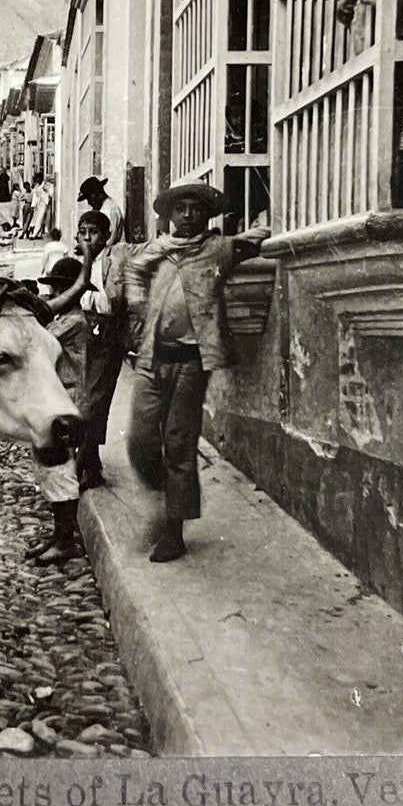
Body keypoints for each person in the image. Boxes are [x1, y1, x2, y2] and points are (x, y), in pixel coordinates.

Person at [124, 182, 268, 562]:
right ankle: (165, 496)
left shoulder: (218, 249)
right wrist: (138, 305)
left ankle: (175, 531)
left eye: (196, 209)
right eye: (181, 209)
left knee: (178, 443)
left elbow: (258, 240)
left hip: (191, 362)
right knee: (139, 441)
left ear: (207, 215)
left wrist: (261, 226)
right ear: (169, 215)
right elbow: (130, 271)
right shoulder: (156, 251)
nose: (188, 216)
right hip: (152, 358)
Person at [25, 254, 97, 565]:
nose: (55, 294)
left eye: (60, 289)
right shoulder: (63, 319)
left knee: (62, 470)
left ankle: (65, 540)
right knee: (52, 469)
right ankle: (58, 536)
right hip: (57, 399)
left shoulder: (73, 322)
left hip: (68, 401)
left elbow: (39, 341)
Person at [73, 209, 127, 491]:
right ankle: (92, 466)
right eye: (82, 232)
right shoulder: (77, 261)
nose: (86, 237)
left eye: (92, 232)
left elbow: (112, 302)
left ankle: (78, 468)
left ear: (106, 236)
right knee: (82, 399)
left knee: (94, 402)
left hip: (107, 338)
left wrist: (85, 295)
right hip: (83, 338)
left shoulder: (113, 260)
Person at [77, 175, 125, 244]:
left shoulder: (110, 209)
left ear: (99, 194)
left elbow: (109, 240)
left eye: (89, 199)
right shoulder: (104, 208)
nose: (89, 203)